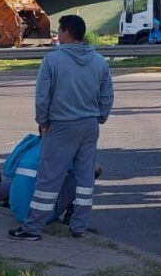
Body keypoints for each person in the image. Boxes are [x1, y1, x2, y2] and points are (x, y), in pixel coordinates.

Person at [10, 14, 114, 240]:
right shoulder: (99, 61)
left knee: (48, 179)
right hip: (89, 125)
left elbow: (42, 97)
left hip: (60, 126)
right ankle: (79, 226)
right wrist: (100, 117)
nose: (57, 35)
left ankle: (32, 228)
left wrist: (43, 123)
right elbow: (107, 95)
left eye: (59, 31)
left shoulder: (53, 60)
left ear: (66, 32)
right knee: (85, 179)